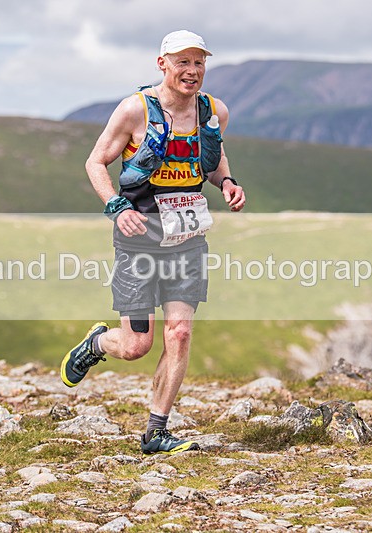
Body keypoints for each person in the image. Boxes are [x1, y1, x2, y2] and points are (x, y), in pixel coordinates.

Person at [61, 29, 245, 455]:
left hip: (187, 237)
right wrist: (116, 207)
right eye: (183, 62)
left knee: (179, 332)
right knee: (135, 346)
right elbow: (95, 161)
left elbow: (214, 160)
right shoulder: (134, 110)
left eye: (199, 62)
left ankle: (156, 431)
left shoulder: (214, 110)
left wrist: (228, 183)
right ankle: (96, 343)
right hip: (140, 240)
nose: (192, 71)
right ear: (162, 64)